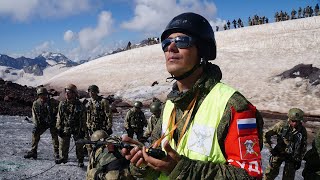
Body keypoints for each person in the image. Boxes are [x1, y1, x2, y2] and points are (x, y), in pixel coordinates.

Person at [121, 12, 264, 179]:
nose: (170, 48)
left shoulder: (233, 106)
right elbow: (162, 166)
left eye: (182, 41)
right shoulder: (170, 105)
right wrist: (146, 161)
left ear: (202, 50)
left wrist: (182, 169)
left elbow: (250, 175)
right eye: (166, 43)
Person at [263, 108, 307, 180]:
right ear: (289, 119)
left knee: (288, 177)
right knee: (269, 174)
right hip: (278, 152)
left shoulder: (302, 130)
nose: (294, 123)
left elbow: (303, 146)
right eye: (293, 121)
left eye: (297, 121)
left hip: (292, 156)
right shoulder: (281, 125)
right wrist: (271, 149)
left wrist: (299, 159)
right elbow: (266, 134)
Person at [55, 84, 87, 167]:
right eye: (66, 92)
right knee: (63, 143)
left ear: (74, 94)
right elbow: (59, 116)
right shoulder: (62, 104)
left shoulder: (80, 105)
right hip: (66, 127)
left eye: (69, 92)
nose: (67, 94)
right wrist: (58, 127)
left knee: (79, 145)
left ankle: (80, 160)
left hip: (77, 128)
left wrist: (83, 130)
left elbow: (83, 118)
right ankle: (63, 158)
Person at [24, 87, 59, 160]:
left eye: (44, 94)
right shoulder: (36, 104)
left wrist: (57, 120)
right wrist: (36, 124)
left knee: (54, 136)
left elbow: (59, 110)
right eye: (41, 94)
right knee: (35, 133)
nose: (43, 96)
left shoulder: (52, 102)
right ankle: (33, 151)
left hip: (52, 121)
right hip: (42, 122)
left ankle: (56, 152)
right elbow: (34, 115)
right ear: (39, 95)